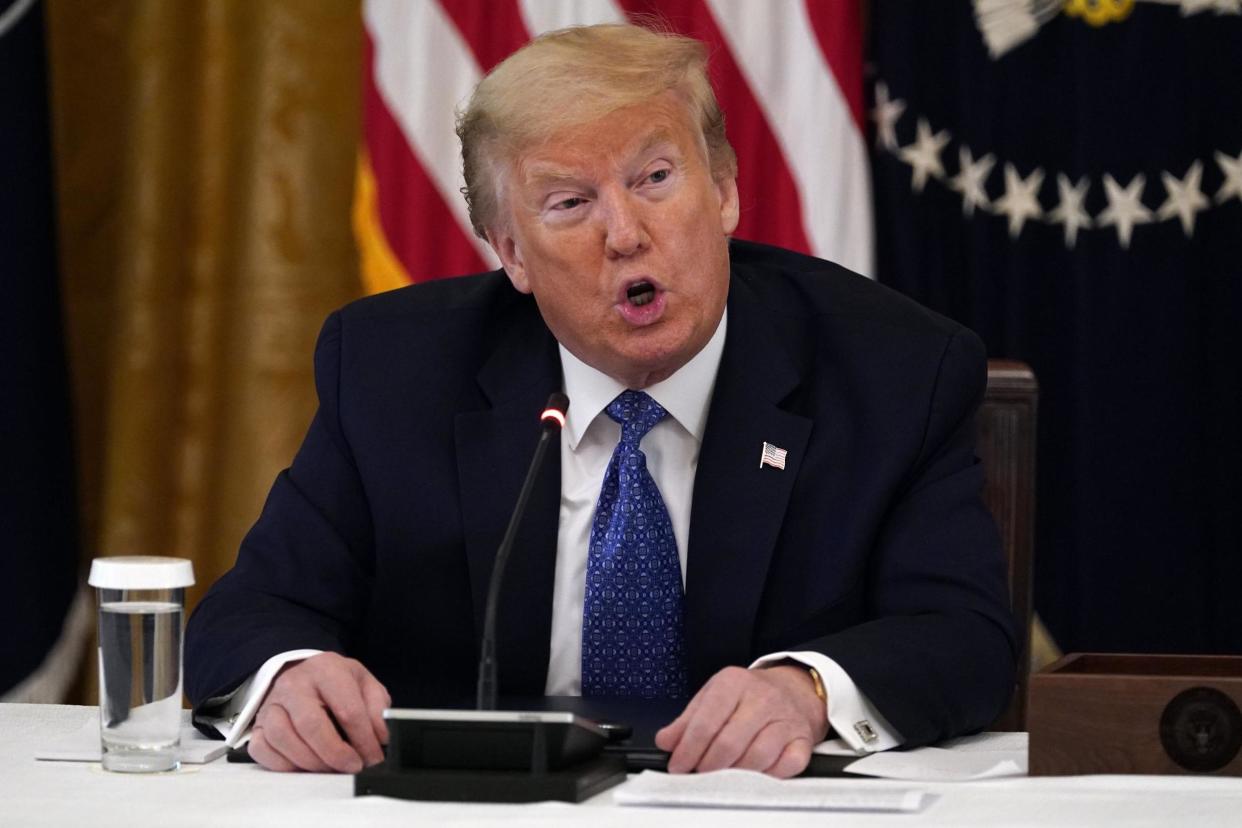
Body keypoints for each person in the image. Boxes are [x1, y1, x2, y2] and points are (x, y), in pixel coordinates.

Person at [186, 22, 1017, 779]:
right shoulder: (395, 372)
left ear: (724, 191)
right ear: (512, 252)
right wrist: (286, 677)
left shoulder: (892, 370)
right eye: (570, 204)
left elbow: (965, 636)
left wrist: (809, 691)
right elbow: (252, 611)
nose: (624, 234)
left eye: (654, 178)